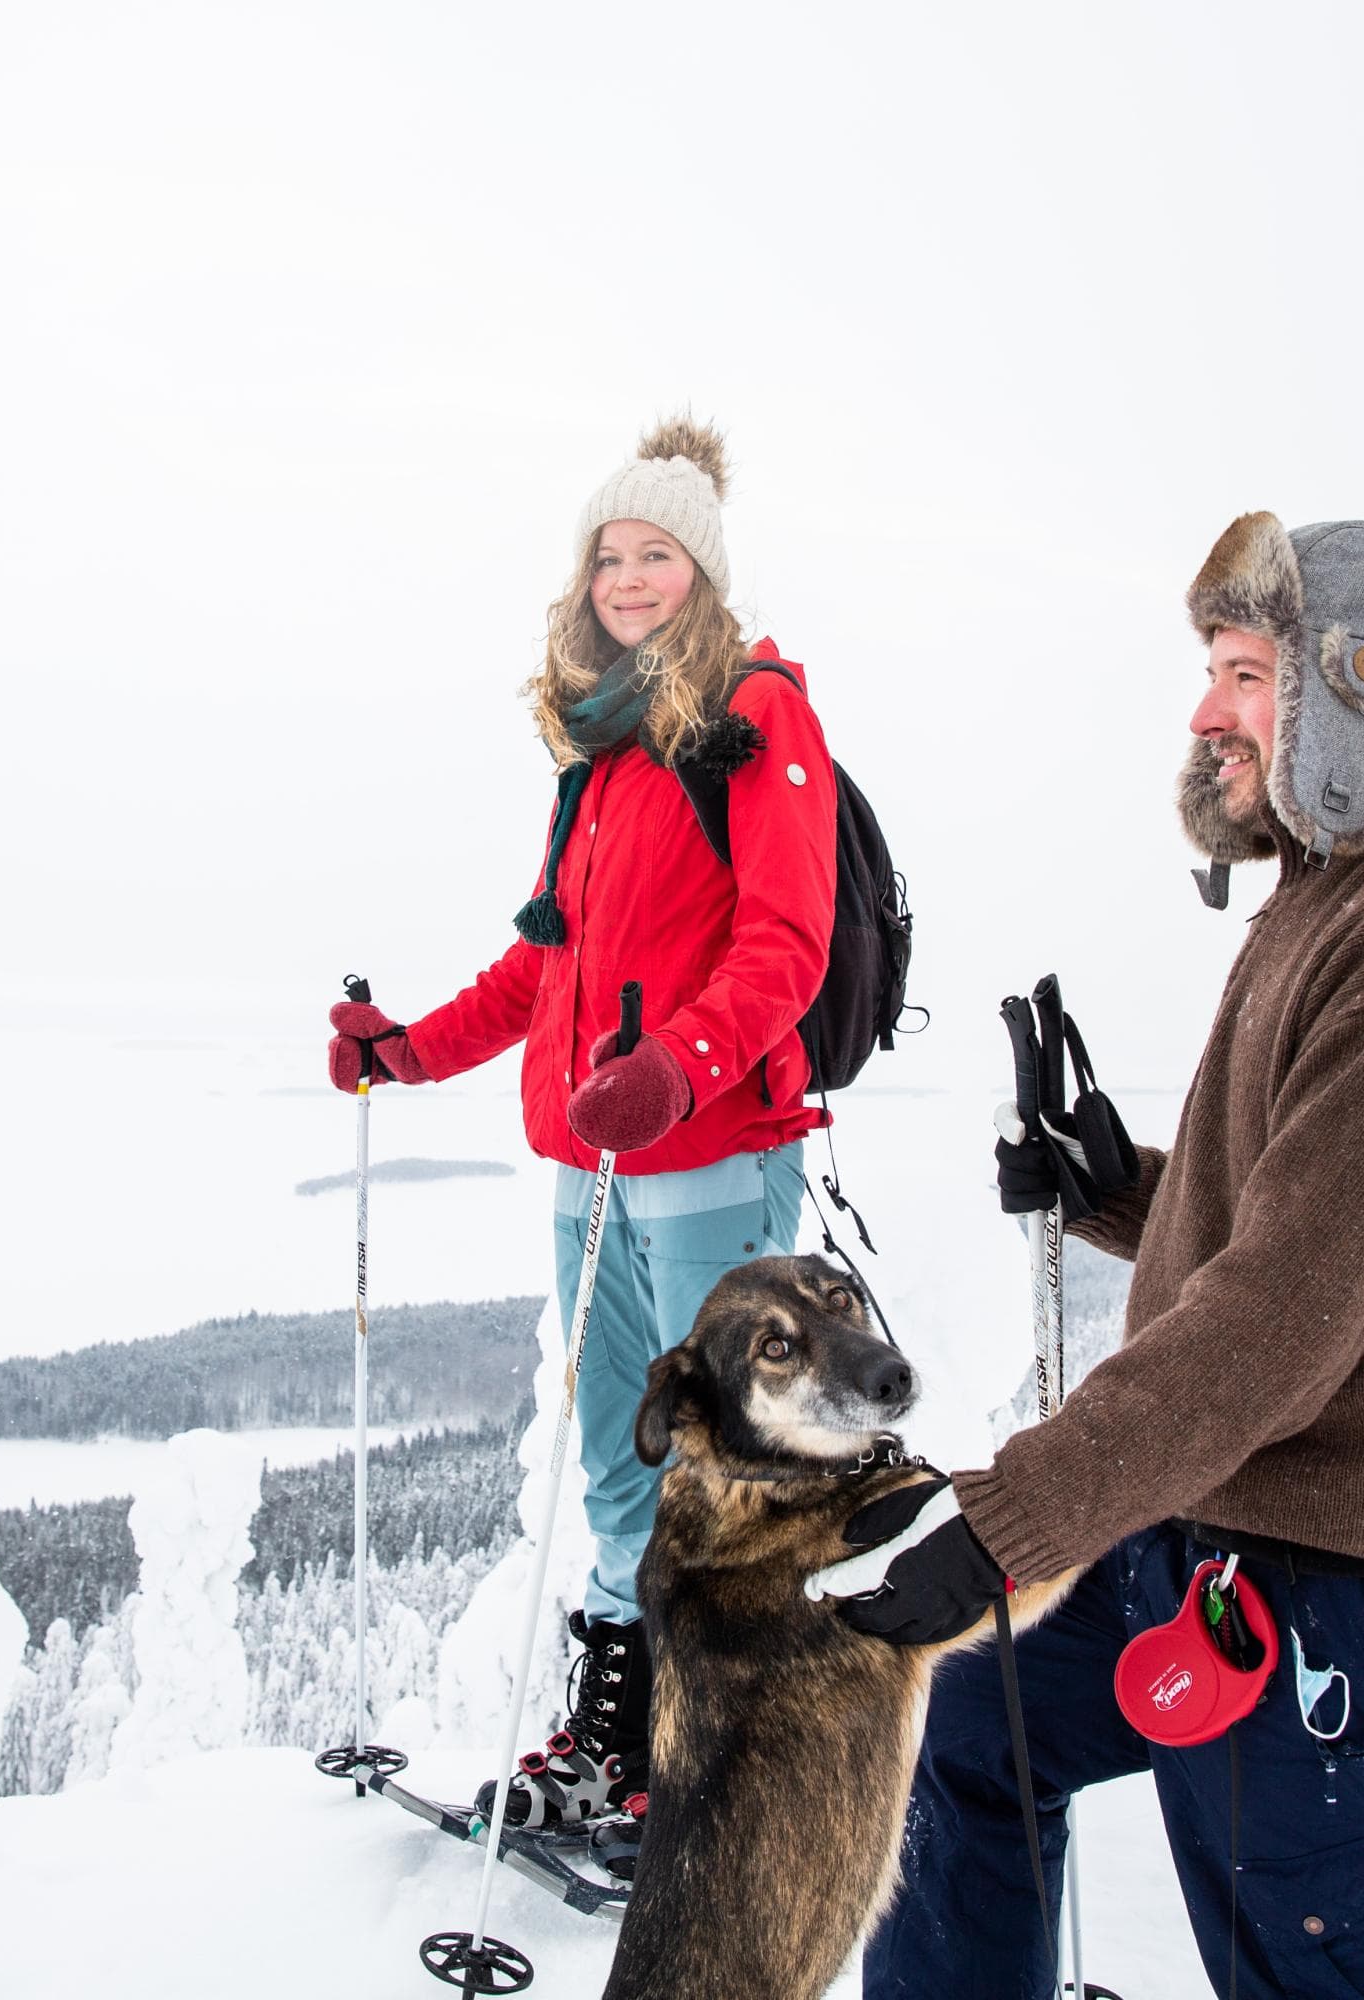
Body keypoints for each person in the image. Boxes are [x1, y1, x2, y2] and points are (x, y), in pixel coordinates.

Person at [826, 514, 1364, 1998]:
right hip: (1233, 1515)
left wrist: (1016, 1519)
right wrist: (1114, 1186)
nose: (1204, 713)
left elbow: (1290, 1310)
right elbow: (1332, 1224)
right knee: (963, 1727)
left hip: (1355, 1580)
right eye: (1211, 672)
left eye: (1246, 674)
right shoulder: (1350, 884)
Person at [326, 418, 838, 1826]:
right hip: (595, 1167)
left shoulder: (759, 711)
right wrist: (407, 1054)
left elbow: (789, 941)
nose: (626, 576)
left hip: (717, 1160)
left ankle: (715, 1765)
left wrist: (678, 1065)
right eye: (608, 554)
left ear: (702, 570)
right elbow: (544, 964)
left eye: (653, 553)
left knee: (723, 1471)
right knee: (620, 1458)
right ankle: (617, 1736)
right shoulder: (600, 756)